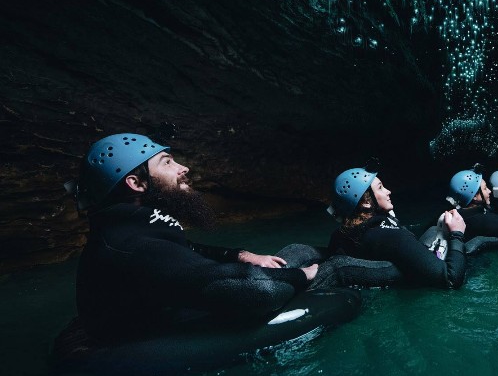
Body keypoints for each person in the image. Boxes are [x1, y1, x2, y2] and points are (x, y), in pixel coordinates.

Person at [64, 132, 319, 343]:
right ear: (136, 183)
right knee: (314, 267)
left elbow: (185, 249)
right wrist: (303, 276)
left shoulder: (132, 224)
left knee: (300, 250)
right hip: (134, 339)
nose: (183, 168)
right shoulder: (131, 245)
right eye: (167, 162)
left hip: (164, 304)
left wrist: (242, 255)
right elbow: (253, 290)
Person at [327, 165, 467, 289]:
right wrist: (457, 233)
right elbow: (451, 279)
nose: (388, 191)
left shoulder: (339, 236)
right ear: (366, 203)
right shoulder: (393, 237)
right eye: (380, 187)